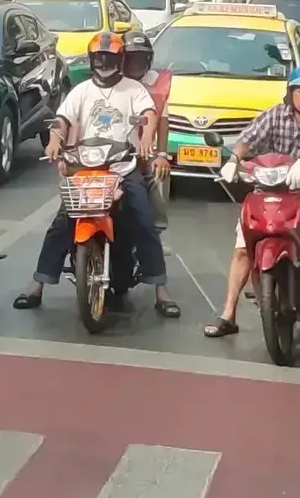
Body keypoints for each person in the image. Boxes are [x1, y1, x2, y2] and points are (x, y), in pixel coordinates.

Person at [14, 30, 180, 318]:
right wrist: (55, 141)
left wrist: (145, 139)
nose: (104, 62)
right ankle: (37, 283)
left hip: (122, 167)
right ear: (92, 59)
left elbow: (150, 116)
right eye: (99, 57)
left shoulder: (134, 89)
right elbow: (63, 120)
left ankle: (160, 289)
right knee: (62, 221)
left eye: (109, 57)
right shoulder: (81, 91)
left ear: (120, 58)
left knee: (144, 218)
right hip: (87, 168)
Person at [204, 63, 300, 340]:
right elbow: (247, 140)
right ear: (290, 94)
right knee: (243, 246)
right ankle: (228, 314)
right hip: (267, 189)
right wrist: (234, 160)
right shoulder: (274, 116)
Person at [123, 28, 172, 225]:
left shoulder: (157, 84)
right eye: (132, 58)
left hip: (145, 150)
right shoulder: (111, 80)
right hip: (112, 148)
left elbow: (162, 120)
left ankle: (156, 228)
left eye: (141, 59)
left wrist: (161, 154)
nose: (136, 64)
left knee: (160, 171)